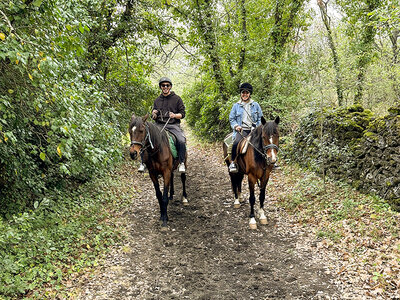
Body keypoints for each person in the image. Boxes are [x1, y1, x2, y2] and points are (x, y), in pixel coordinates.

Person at [150, 77, 187, 173]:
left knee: (181, 140)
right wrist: (154, 114)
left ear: (170, 87)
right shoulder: (157, 100)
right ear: (160, 87)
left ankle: (182, 162)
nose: (165, 87)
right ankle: (145, 163)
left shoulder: (177, 99)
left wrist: (175, 115)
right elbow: (154, 116)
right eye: (163, 85)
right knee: (147, 138)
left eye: (167, 85)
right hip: (159, 125)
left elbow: (182, 114)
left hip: (173, 125)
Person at [228, 82, 263, 173]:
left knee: (265, 142)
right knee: (236, 143)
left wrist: (256, 126)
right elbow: (232, 118)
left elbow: (260, 118)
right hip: (242, 130)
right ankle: (233, 162)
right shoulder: (236, 106)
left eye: (247, 93)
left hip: (254, 130)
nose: (245, 94)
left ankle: (270, 161)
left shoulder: (255, 105)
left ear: (249, 94)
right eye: (243, 92)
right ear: (241, 94)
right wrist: (236, 126)